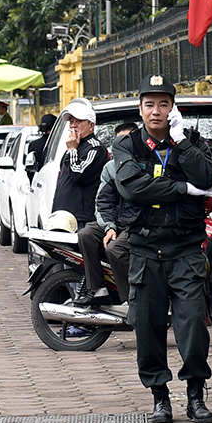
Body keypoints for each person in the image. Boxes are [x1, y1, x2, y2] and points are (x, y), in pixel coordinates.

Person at [113, 74, 212, 423]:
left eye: (163, 104)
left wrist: (181, 144)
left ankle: (195, 395)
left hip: (185, 250)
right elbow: (132, 187)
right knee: (148, 329)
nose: (156, 111)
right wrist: (182, 189)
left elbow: (207, 179)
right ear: (140, 109)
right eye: (149, 104)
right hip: (145, 252)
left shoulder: (190, 142)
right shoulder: (127, 146)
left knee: (192, 326)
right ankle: (160, 397)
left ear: (173, 108)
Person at [75, 122, 136, 306]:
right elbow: (103, 201)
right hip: (115, 221)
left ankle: (130, 300)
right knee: (86, 234)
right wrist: (109, 227)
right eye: (119, 142)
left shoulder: (144, 165)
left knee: (114, 249)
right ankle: (98, 289)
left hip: (135, 223)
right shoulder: (111, 168)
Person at [50, 98, 108, 228]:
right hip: (62, 216)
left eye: (79, 121)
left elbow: (78, 175)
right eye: (71, 121)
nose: (73, 125)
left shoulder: (95, 148)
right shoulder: (74, 147)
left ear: (91, 125)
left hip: (80, 219)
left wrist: (72, 150)